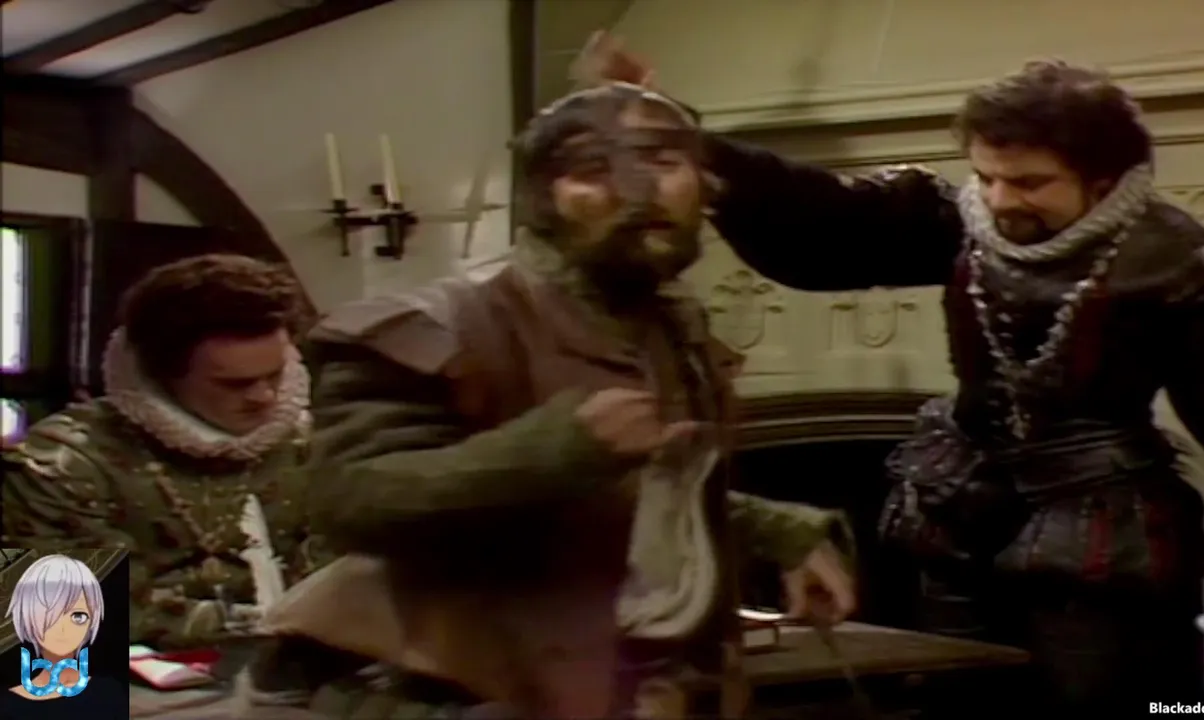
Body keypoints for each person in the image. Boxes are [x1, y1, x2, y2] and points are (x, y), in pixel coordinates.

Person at [586, 35, 1204, 717]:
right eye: (987, 176)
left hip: (1103, 548)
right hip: (958, 522)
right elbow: (824, 222)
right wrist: (676, 136)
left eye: (1030, 182)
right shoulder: (965, 220)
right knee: (953, 701)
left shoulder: (1186, 268)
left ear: (1103, 181)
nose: (1001, 200)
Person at [235, 82, 857, 720]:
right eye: (593, 168)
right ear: (541, 197)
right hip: (461, 688)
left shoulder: (672, 328)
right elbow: (353, 498)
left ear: (706, 184)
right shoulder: (439, 326)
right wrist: (545, 451)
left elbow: (640, 492)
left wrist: (774, 530)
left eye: (663, 161)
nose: (639, 190)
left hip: (644, 682)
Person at [2, 255, 328, 650]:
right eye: (234, 384)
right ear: (162, 373)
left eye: (275, 375)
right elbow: (60, 627)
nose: (265, 397)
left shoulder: (312, 445)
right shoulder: (63, 463)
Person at [0, 554, 128, 719]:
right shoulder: (8, 707)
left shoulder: (110, 693)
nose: (62, 628)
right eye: (50, 616)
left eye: (78, 616)